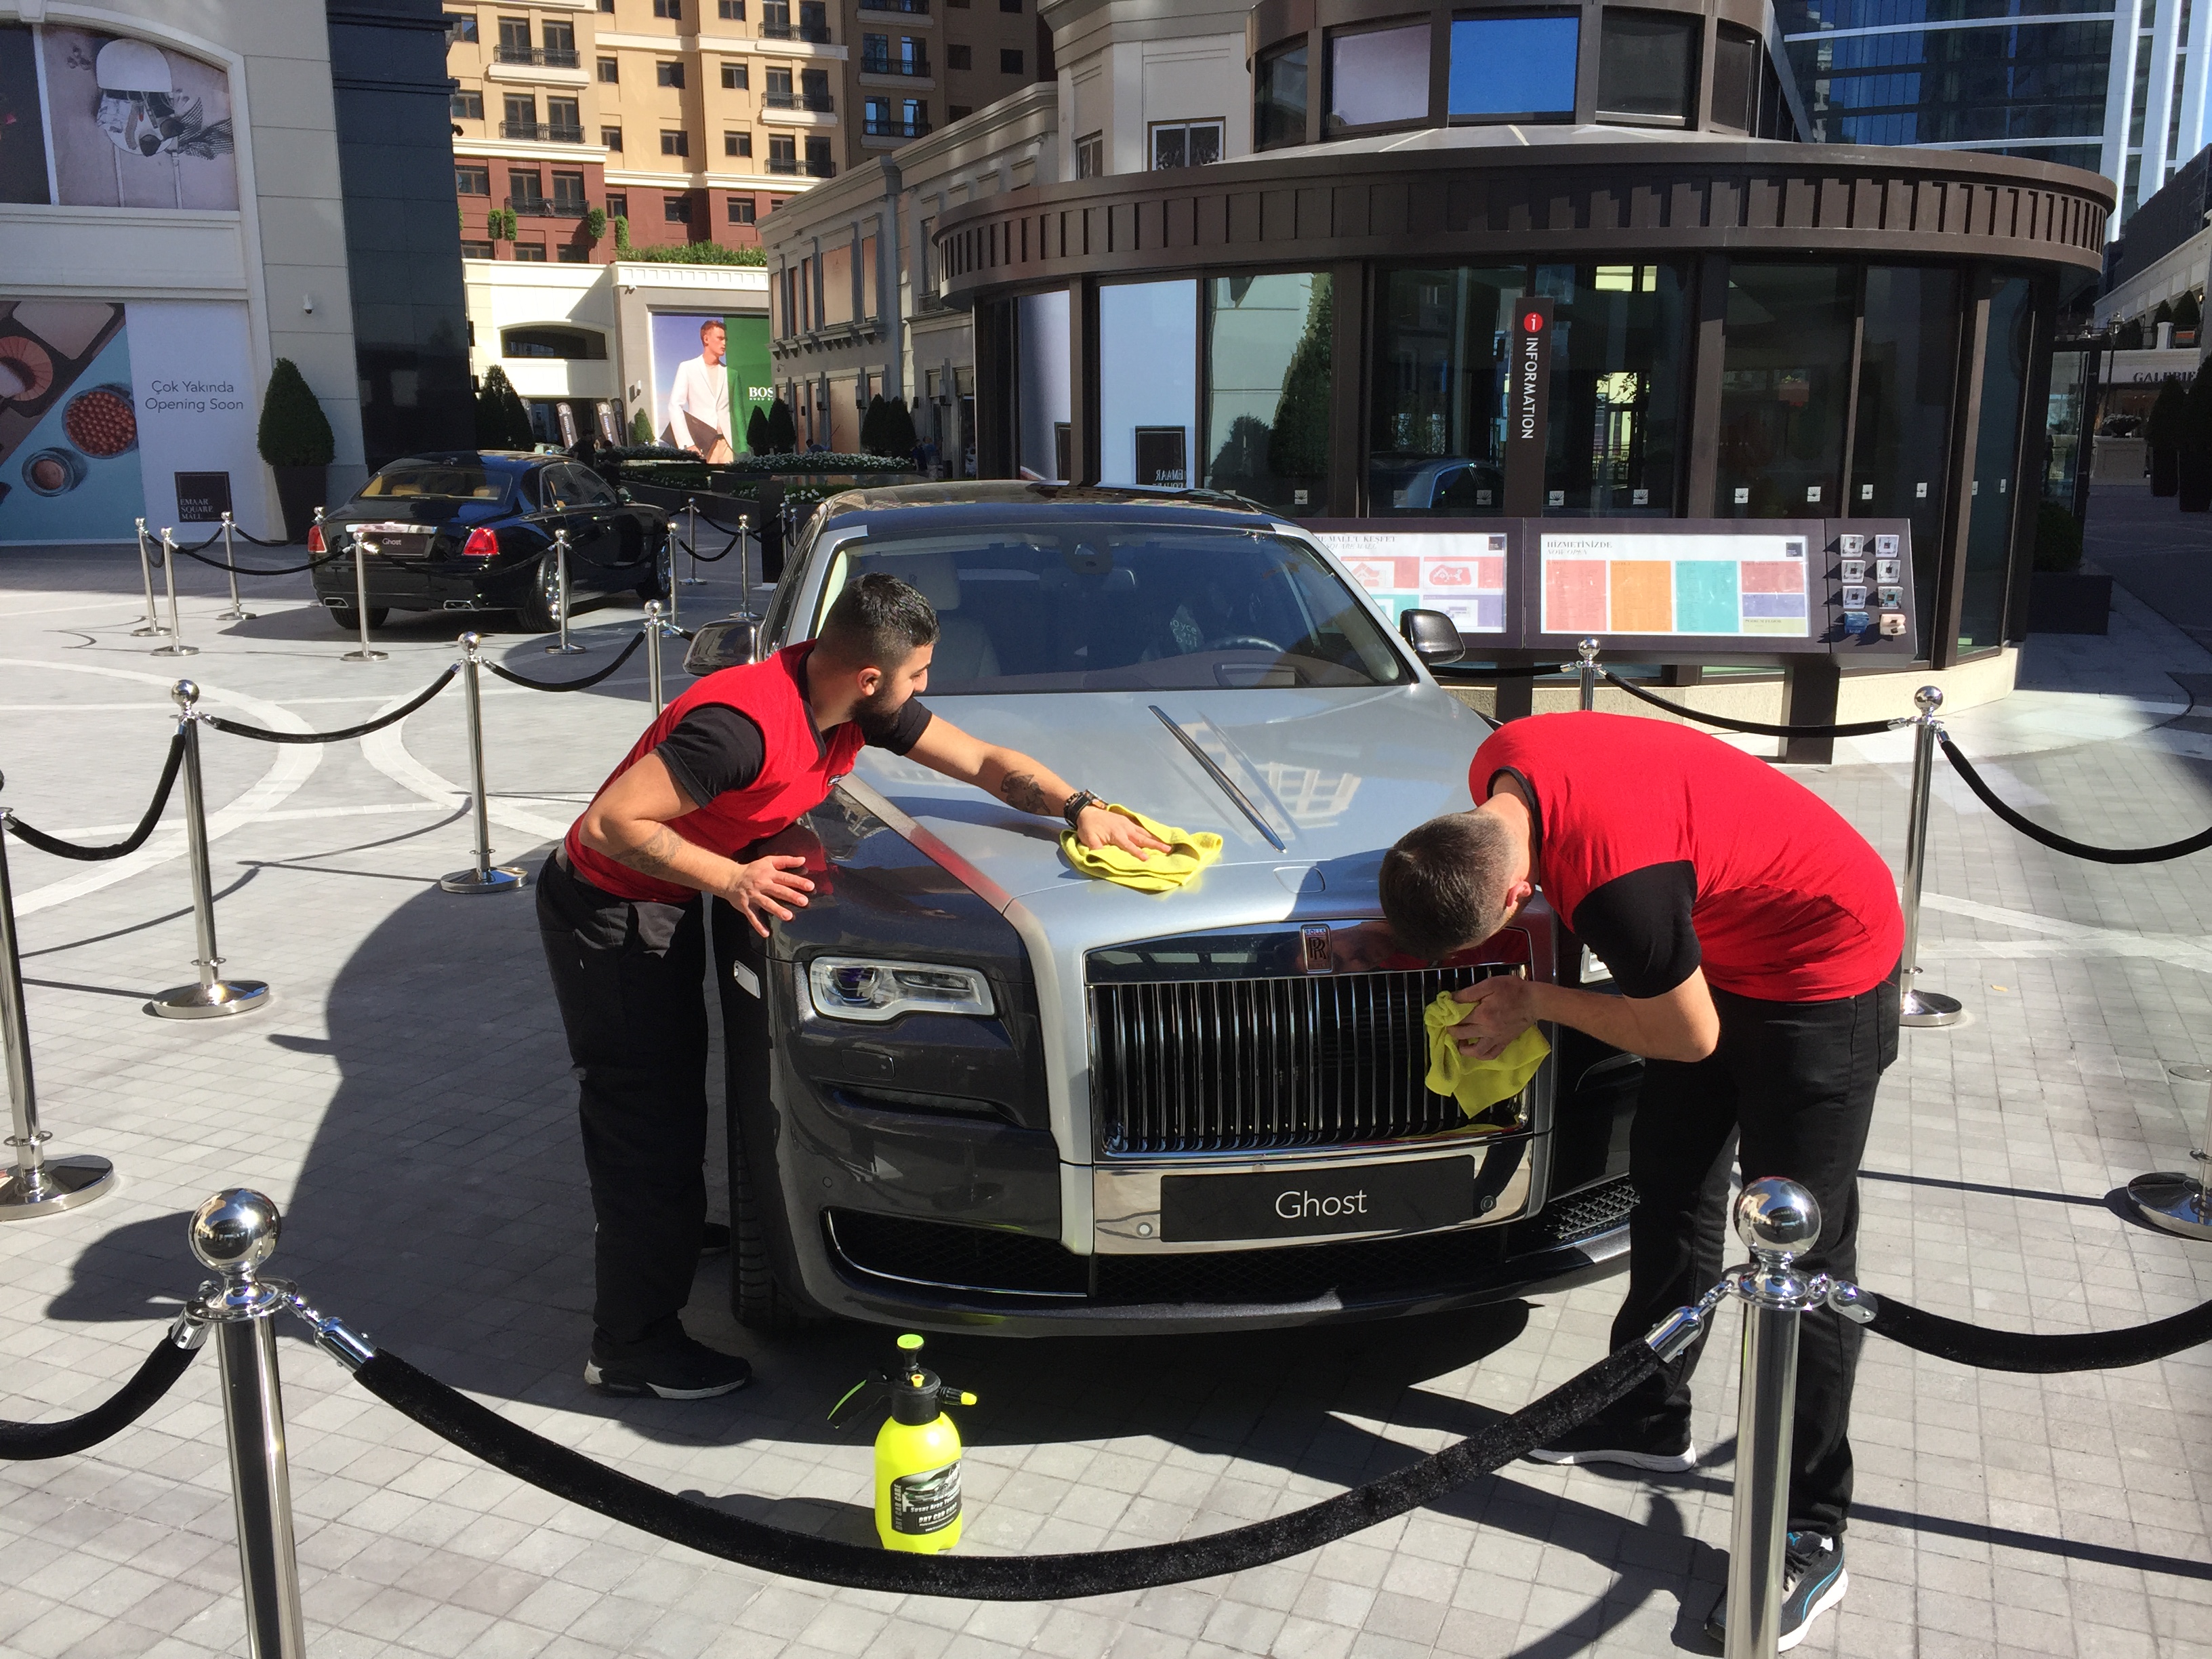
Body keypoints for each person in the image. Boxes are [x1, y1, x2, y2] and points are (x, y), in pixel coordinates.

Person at [538, 573, 1169, 1400]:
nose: (926, 688)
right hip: (609, 907)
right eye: (920, 673)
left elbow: (986, 764)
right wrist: (732, 878)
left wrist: (1081, 807)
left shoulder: (851, 701)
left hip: (665, 895)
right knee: (645, 1120)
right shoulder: (740, 728)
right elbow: (611, 823)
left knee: (676, 1101)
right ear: (869, 677)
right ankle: (629, 1346)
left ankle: (666, 1232)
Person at [1378, 712, 1901, 1652]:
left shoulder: (1620, 888)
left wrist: (1533, 1000)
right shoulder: (1501, 761)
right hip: (1715, 947)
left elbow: (1688, 1036)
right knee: (1673, 1186)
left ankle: (1810, 1528)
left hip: (1823, 969)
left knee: (1801, 1257)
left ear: (1520, 890)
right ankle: (1646, 1414)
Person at [666, 319, 734, 464]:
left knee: (730, 478)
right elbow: (675, 405)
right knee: (705, 478)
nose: (724, 343)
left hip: (728, 444)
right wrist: (687, 443)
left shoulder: (729, 372)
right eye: (720, 338)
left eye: (726, 339)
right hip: (701, 443)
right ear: (706, 339)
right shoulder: (688, 368)